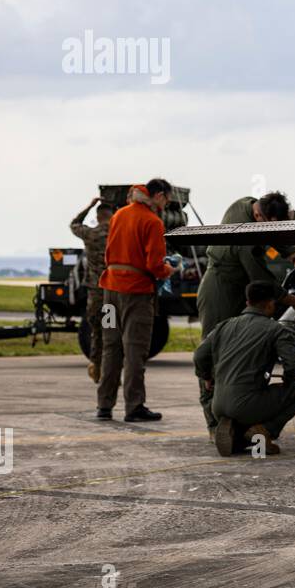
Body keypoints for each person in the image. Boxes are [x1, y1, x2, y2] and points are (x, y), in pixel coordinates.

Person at [196, 191, 295, 432]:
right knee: (215, 349)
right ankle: (215, 424)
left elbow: (274, 234)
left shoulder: (248, 203)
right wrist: (294, 302)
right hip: (220, 287)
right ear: (260, 215)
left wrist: (293, 255)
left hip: (240, 286)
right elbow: (261, 279)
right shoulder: (244, 236)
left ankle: (240, 414)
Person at [194, 280, 295, 457]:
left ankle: (236, 435)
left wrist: (207, 377)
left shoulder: (224, 326)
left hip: (218, 405)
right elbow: (293, 363)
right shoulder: (275, 329)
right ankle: (265, 431)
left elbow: (199, 355)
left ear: (247, 302)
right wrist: (288, 380)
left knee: (248, 407)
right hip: (247, 404)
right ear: (271, 304)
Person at [96, 179, 174, 422]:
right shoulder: (152, 221)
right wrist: (167, 270)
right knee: (134, 350)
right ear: (159, 196)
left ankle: (104, 406)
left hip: (109, 290)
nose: (166, 205)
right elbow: (154, 264)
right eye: (167, 200)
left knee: (110, 347)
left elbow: (108, 252)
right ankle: (134, 407)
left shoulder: (119, 214)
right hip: (136, 293)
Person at [70, 196, 114, 382]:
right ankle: (112, 372)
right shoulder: (117, 234)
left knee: (97, 332)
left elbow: (74, 224)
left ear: (97, 217)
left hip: (95, 294)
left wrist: (90, 205)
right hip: (112, 293)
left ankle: (97, 370)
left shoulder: (90, 234)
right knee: (112, 332)